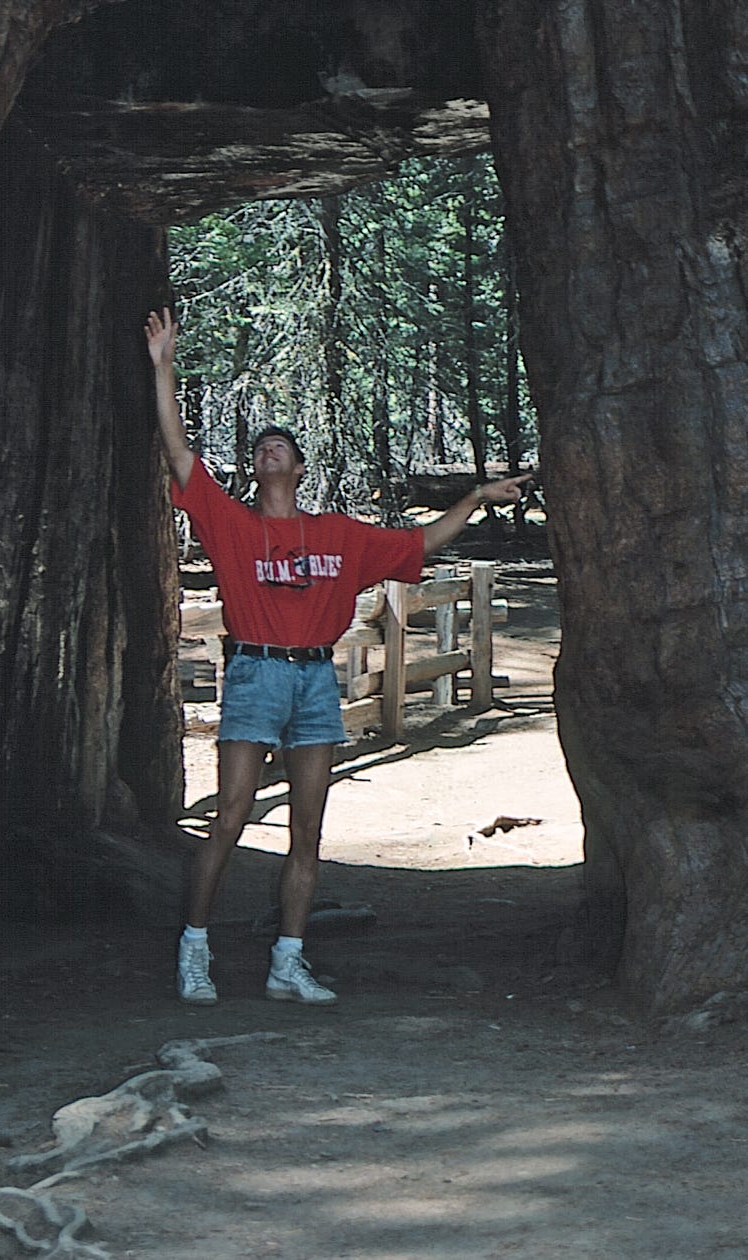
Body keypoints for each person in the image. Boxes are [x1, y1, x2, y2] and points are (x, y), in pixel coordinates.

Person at [145, 306, 530, 1007]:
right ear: (254, 469)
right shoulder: (231, 525)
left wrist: (476, 495)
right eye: (260, 448)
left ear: (298, 467)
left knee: (308, 828)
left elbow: (421, 543)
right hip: (256, 673)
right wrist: (163, 366)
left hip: (315, 680)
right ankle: (193, 948)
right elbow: (178, 454)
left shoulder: (340, 536)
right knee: (230, 815)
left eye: (280, 446)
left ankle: (287, 962)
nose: (269, 451)